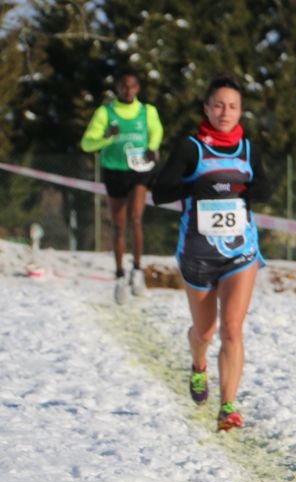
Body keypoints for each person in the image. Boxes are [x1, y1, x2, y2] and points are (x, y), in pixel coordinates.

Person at [151, 75, 272, 432]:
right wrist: (198, 184)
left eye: (232, 106)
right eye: (218, 105)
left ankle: (229, 406)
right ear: (207, 108)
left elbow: (264, 188)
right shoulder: (191, 148)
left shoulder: (248, 149)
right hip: (198, 253)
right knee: (205, 332)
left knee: (232, 329)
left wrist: (244, 188)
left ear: (240, 110)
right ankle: (199, 364)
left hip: (241, 252)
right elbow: (160, 191)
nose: (225, 112)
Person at [80, 68, 163, 304]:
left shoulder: (147, 111)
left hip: (139, 171)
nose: (128, 90)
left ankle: (137, 270)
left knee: (136, 217)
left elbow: (156, 131)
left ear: (138, 88)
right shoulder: (105, 112)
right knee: (119, 226)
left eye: (133, 86)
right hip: (114, 171)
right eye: (124, 86)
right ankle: (119, 276)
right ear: (117, 88)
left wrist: (152, 147)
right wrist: (106, 135)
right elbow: (87, 143)